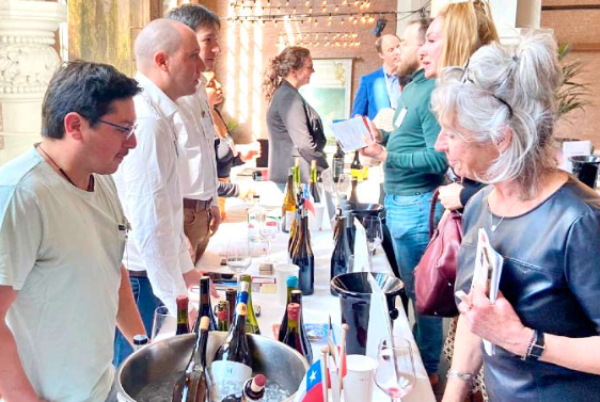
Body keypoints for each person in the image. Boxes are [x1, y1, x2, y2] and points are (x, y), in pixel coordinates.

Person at [433, 32, 600, 402]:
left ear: (501, 138)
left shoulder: (580, 221)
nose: (439, 144)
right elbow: (478, 315)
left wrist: (523, 341)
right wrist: (455, 390)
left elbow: (506, 333)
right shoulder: (480, 205)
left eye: (453, 134)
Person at [0, 61, 144, 402]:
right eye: (123, 129)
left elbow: (112, 271)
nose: (133, 142)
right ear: (75, 125)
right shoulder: (21, 194)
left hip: (102, 385)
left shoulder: (102, 179)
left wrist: (146, 352)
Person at [113, 18, 205, 366]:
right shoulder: (148, 121)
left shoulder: (158, 112)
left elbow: (167, 208)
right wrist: (179, 301)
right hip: (141, 279)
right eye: (193, 55)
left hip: (149, 274)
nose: (201, 65)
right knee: (138, 375)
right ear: (162, 61)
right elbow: (150, 223)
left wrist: (187, 270)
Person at [360, 18, 448, 382]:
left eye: (405, 45)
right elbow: (405, 134)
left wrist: (387, 155)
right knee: (411, 289)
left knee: (423, 292)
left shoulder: (433, 92)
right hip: (400, 202)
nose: (399, 52)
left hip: (417, 204)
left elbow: (440, 159)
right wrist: (381, 136)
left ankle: (428, 370)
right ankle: (419, 358)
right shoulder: (413, 88)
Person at [421, 0, 498, 214]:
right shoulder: (458, 96)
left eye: (431, 40)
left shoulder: (487, 99)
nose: (422, 50)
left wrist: (466, 196)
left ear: (457, 42)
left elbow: (517, 182)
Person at [166, 4, 223, 264]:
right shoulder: (168, 97)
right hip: (180, 217)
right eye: (208, 40)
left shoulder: (200, 88)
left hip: (202, 213)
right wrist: (176, 233)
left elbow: (206, 152)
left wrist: (213, 202)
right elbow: (159, 177)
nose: (217, 49)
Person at [264, 46, 329, 188]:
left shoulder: (286, 93)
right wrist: (326, 171)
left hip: (291, 177)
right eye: (309, 67)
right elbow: (305, 145)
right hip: (293, 179)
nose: (313, 71)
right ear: (293, 71)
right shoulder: (288, 97)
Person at [204, 71, 261, 218]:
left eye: (217, 81)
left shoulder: (215, 114)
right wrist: (237, 191)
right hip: (206, 207)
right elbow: (201, 179)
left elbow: (220, 161)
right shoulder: (199, 124)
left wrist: (241, 157)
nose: (219, 86)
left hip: (221, 203)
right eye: (211, 83)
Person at [351, 34, 402, 120]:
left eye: (398, 47)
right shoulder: (368, 81)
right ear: (381, 55)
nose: (397, 52)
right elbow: (357, 115)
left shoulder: (412, 78)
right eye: (391, 50)